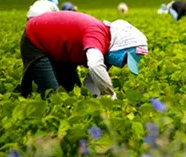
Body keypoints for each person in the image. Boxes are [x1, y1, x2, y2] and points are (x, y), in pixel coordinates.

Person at [20, 11, 148, 98]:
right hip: (36, 40)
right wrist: (110, 95)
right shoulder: (98, 34)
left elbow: (91, 84)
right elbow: (94, 65)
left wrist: (98, 102)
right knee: (51, 95)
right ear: (121, 45)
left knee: (72, 91)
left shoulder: (107, 54)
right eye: (125, 59)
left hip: (61, 53)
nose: (123, 65)